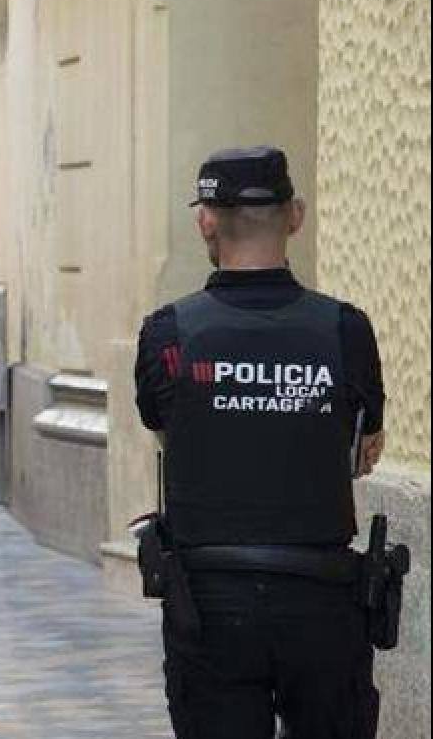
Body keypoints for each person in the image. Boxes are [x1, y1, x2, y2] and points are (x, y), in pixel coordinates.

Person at [134, 146, 387, 738]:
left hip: (210, 604)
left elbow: (161, 422)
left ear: (205, 220)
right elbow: (365, 446)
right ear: (296, 215)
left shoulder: (168, 334)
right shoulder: (345, 329)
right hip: (323, 599)